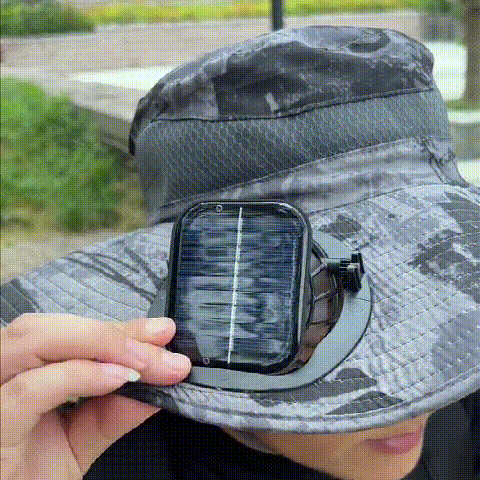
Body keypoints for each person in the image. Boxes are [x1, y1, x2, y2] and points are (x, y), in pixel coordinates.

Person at [1, 26, 479, 480]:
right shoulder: (80, 454)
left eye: (437, 282)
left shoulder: (465, 412)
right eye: (321, 305)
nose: (424, 393)